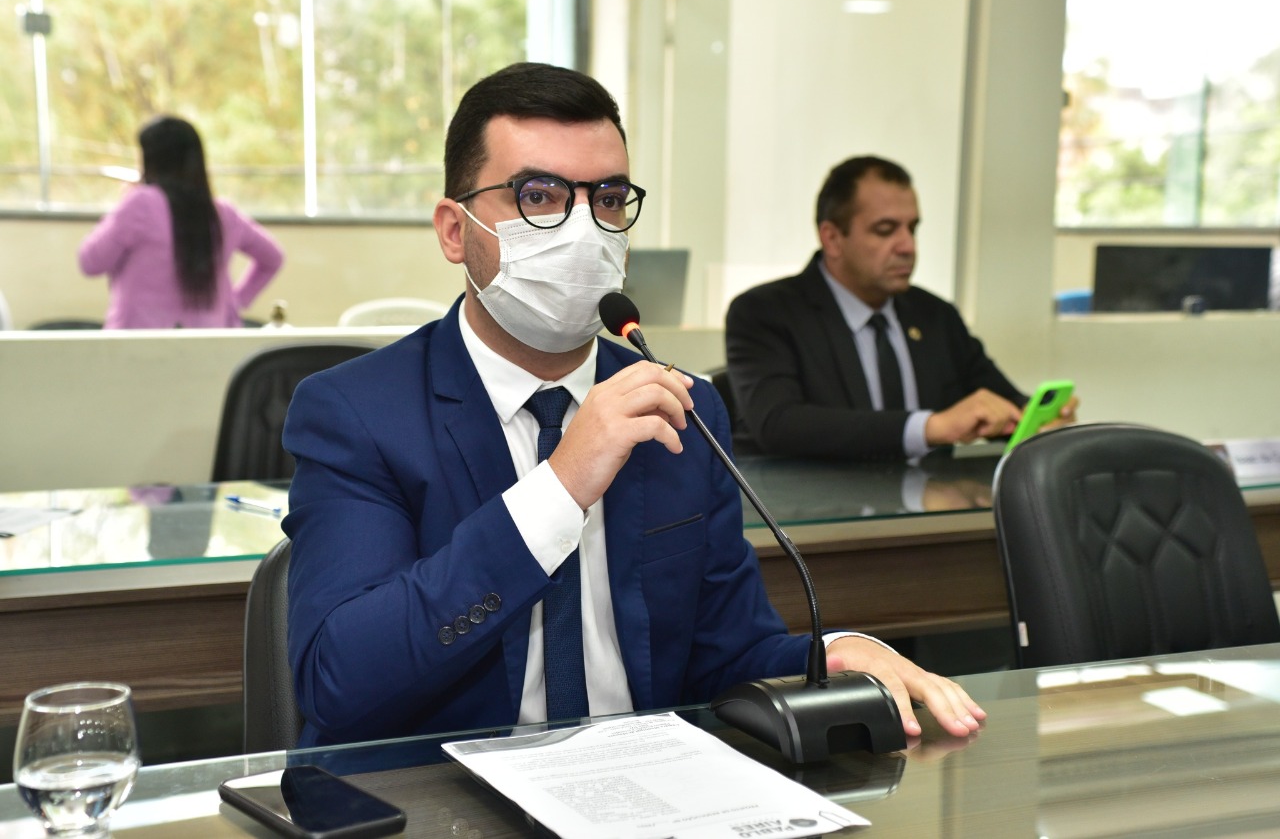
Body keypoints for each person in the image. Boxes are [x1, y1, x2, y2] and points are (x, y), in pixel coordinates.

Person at [281, 64, 984, 749]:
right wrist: (561, 487)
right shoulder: (355, 413)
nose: (584, 229)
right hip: (441, 796)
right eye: (539, 196)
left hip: (645, 787)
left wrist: (829, 653)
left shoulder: (680, 406)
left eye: (610, 199)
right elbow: (337, 679)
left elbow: (726, 656)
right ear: (454, 230)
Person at [726, 155, 1077, 462]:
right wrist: (929, 427)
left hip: (931, 509)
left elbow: (996, 398)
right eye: (885, 230)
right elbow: (779, 424)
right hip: (812, 514)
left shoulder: (935, 316)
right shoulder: (765, 313)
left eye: (912, 228)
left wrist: (1037, 419)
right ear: (832, 238)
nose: (907, 246)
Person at [78, 115, 283, 329]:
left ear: (150, 161)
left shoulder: (141, 204)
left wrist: (123, 206)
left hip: (138, 341)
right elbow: (273, 258)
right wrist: (235, 302)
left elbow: (90, 262)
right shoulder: (224, 213)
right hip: (210, 339)